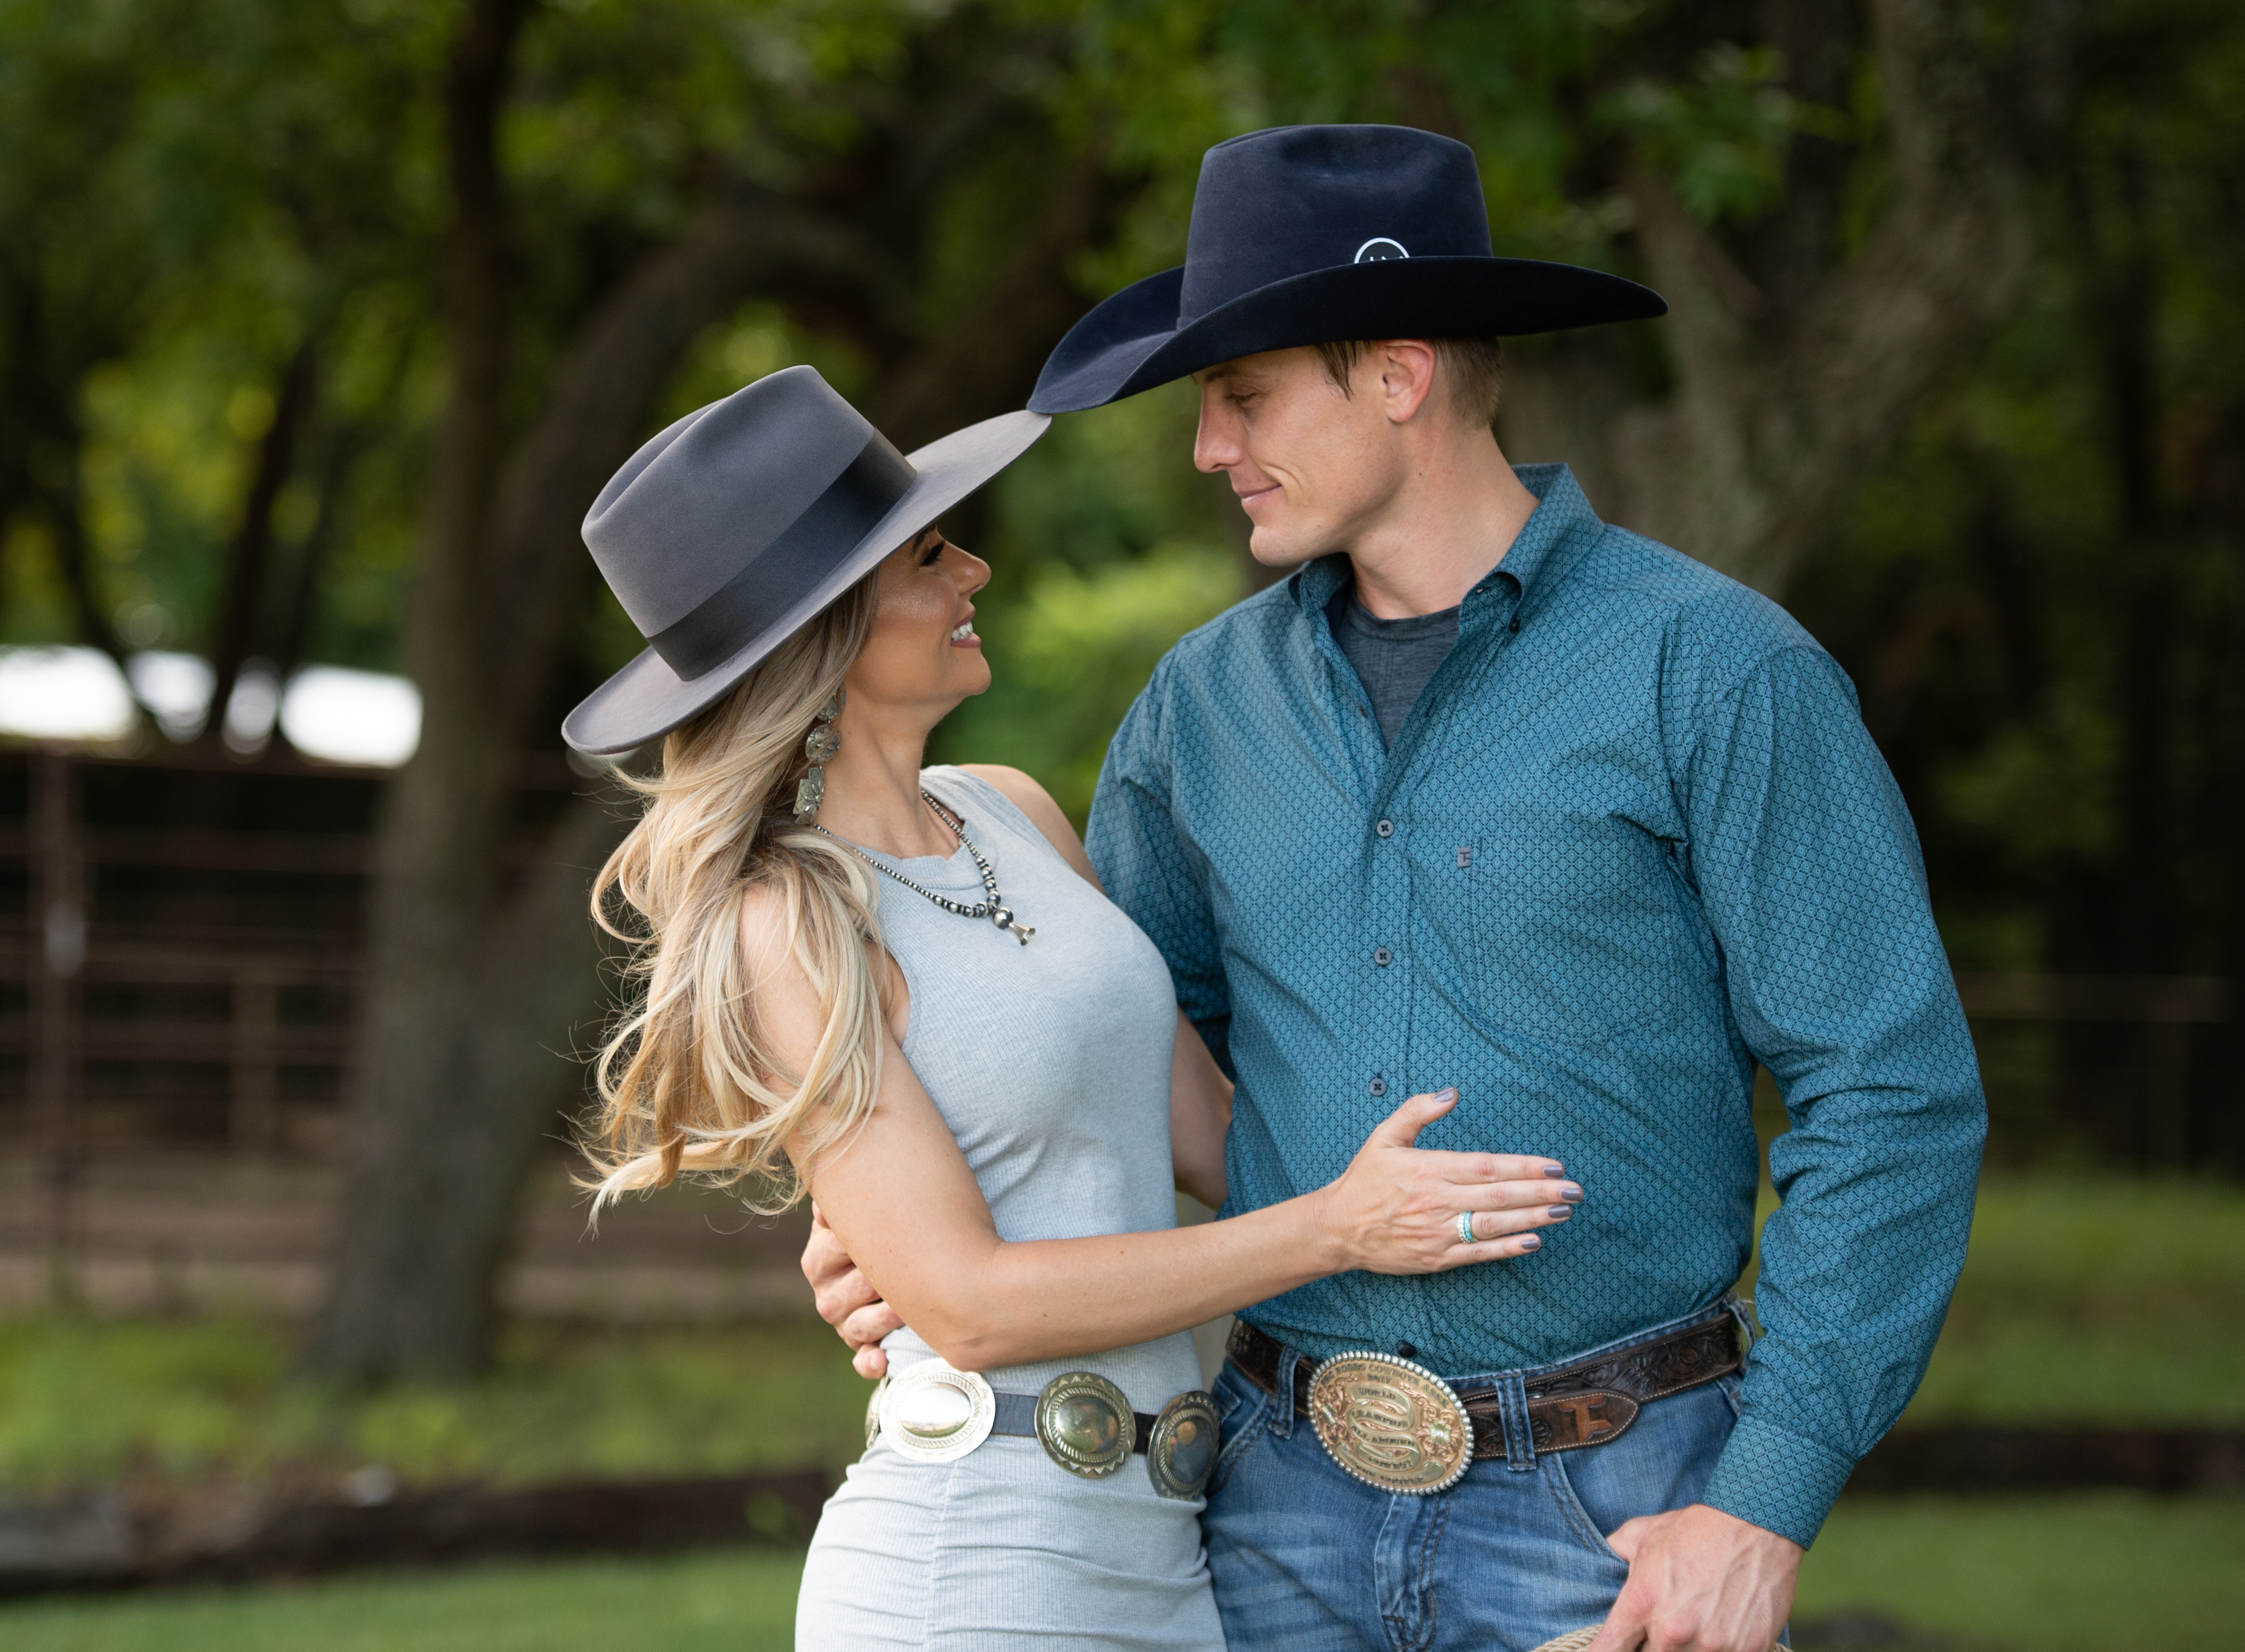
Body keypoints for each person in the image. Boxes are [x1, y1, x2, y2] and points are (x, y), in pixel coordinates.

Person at [803, 124, 1990, 1652]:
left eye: (1242, 395)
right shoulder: (1197, 710)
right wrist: (894, 1232)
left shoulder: (1716, 670)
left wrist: (1760, 1501)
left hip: (1616, 1510)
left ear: (1399, 374)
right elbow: (1112, 1065)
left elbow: (1889, 1093)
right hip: (1264, 1502)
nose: (1207, 446)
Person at [563, 364, 1580, 1651]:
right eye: (930, 554)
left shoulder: (1011, 808)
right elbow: (970, 1303)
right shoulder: (788, 918)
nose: (973, 569)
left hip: (1169, 1546)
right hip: (975, 1562)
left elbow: (1215, 1134)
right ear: (823, 634)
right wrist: (1337, 1230)